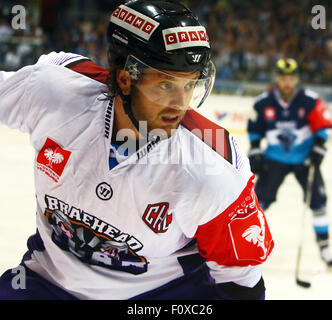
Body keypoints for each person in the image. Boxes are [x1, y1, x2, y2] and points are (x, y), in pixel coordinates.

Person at [0, 0, 273, 300]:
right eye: (166, 85)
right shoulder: (55, 92)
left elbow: (241, 285)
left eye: (190, 85)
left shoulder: (212, 169)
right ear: (125, 79)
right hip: (46, 284)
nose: (180, 104)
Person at [247, 58, 332, 267]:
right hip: (274, 160)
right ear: (277, 78)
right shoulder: (263, 102)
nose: (287, 82)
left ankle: (324, 247)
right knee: (257, 202)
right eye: (283, 78)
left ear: (296, 78)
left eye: (291, 78)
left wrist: (319, 148)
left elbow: (324, 126)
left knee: (318, 203)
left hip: (304, 161)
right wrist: (255, 153)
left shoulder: (310, 100)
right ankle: (246, 243)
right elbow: (254, 130)